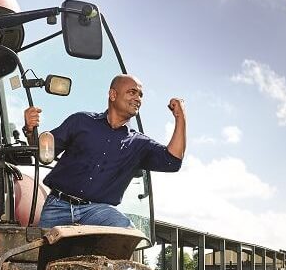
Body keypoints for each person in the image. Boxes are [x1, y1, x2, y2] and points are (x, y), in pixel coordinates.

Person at [23, 74, 186, 228]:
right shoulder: (80, 121)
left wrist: (180, 117)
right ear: (113, 95)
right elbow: (43, 153)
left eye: (141, 95)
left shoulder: (139, 144)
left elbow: (173, 161)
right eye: (132, 92)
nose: (138, 99)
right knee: (43, 254)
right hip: (57, 206)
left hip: (98, 213)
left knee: (125, 230)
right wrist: (31, 130)